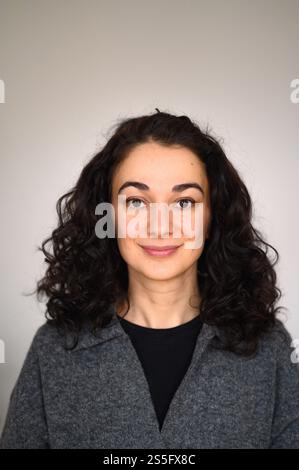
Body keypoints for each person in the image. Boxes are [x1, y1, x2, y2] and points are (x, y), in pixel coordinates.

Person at [1, 110, 299, 449]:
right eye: (137, 202)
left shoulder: (269, 348)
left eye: (184, 202)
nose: (160, 225)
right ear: (107, 214)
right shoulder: (54, 348)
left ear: (212, 216)